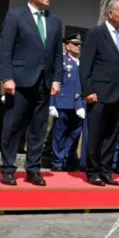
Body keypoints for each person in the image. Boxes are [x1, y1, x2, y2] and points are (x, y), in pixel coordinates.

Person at [0, 0, 64, 186]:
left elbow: (57, 55)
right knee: (13, 125)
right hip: (19, 81)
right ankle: (8, 168)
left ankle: (33, 169)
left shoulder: (54, 21)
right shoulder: (16, 15)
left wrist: (56, 79)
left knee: (38, 127)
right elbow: (6, 49)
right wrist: (6, 77)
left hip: (44, 82)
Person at [80, 1, 119, 186]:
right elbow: (85, 64)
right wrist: (88, 90)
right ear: (110, 13)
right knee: (96, 133)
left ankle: (105, 170)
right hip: (99, 93)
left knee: (112, 135)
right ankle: (92, 170)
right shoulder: (96, 33)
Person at [49, 34, 85, 171]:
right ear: (67, 45)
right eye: (75, 44)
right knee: (60, 133)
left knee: (75, 133)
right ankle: (57, 161)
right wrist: (52, 103)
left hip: (79, 104)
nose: (78, 46)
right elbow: (54, 83)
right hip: (63, 102)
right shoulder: (61, 61)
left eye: (79, 44)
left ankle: (68, 158)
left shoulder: (82, 62)